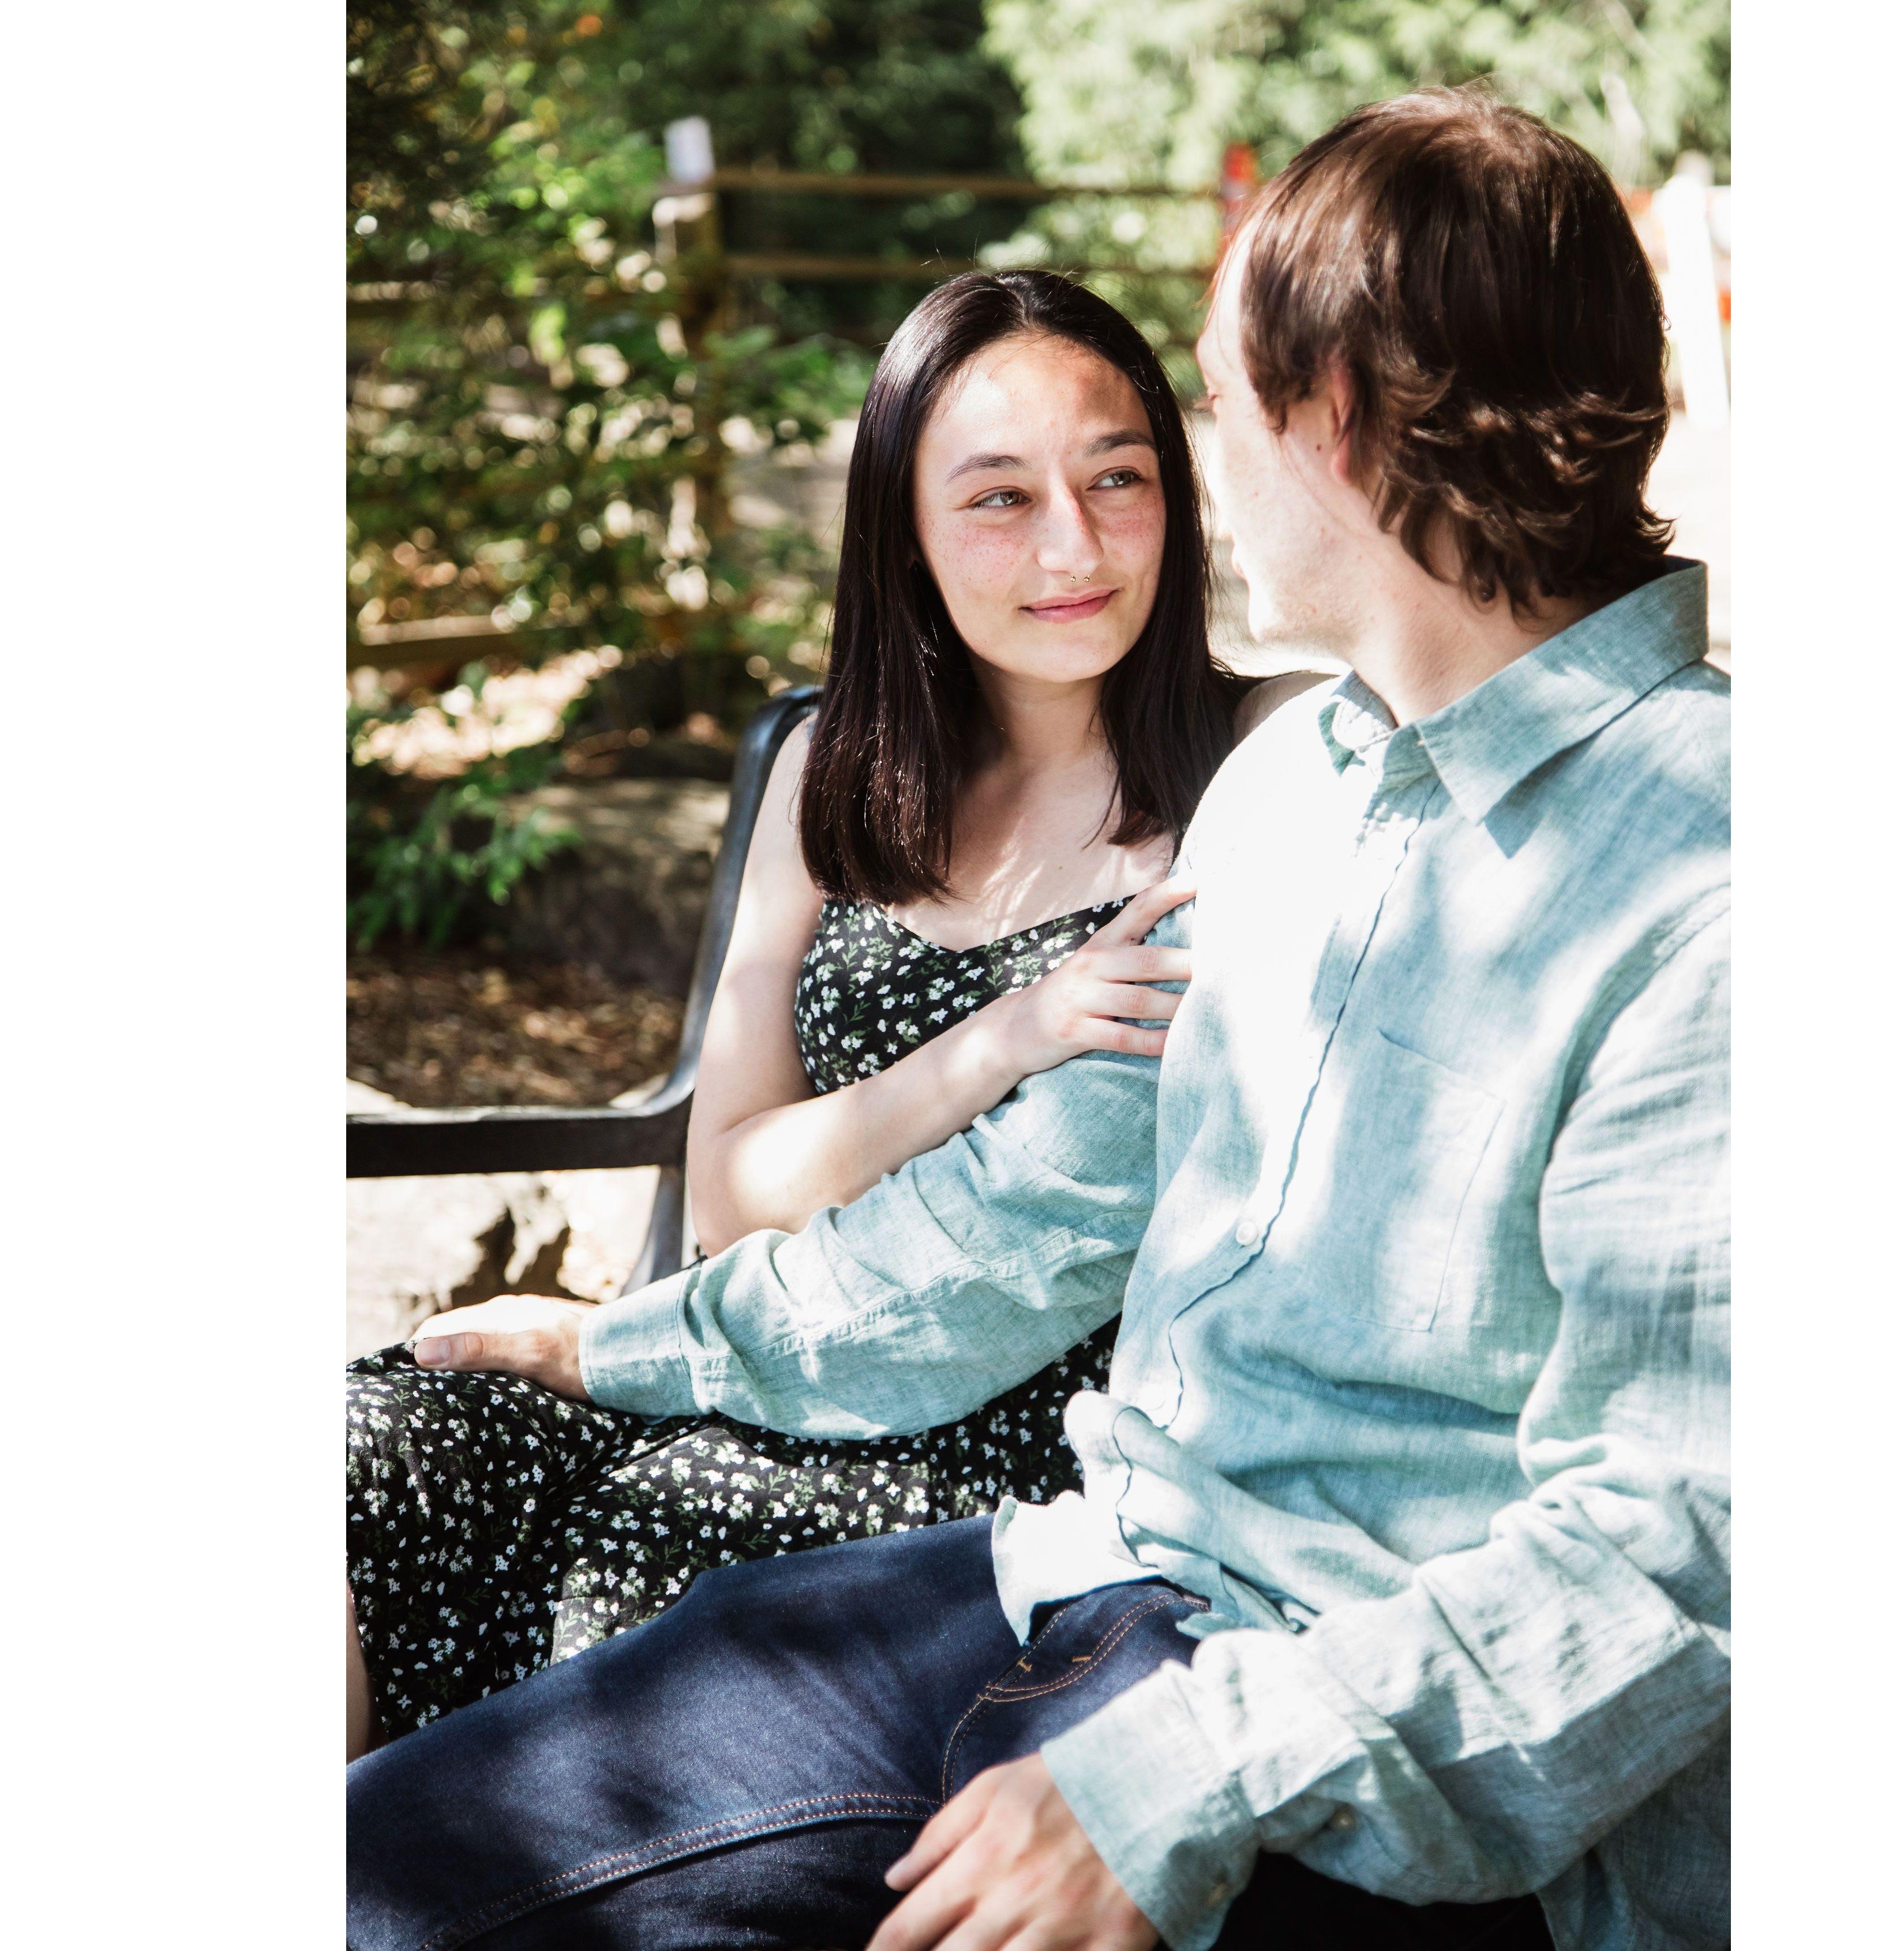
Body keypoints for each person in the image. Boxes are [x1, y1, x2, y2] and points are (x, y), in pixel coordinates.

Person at [351, 88, 1729, 1951]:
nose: (1205, 467)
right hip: (1080, 1586)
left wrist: (1178, 1782)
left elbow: (1678, 1555)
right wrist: (623, 1345)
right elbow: (1017, 1227)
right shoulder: (1293, 787)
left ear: (1337, 421)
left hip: (1413, 1796)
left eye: (1215, 406)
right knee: (367, 1892)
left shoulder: (1715, 881)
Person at [343, 269, 1324, 1761]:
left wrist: (637, 1333)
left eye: (1116, 477)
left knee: (641, 1560)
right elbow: (731, 1189)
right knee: (362, 1452)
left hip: (1000, 1436)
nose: (1072, 545)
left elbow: (1037, 1252)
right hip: (739, 1346)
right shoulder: (836, 770)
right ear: (903, 531)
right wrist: (1005, 1038)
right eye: (998, 498)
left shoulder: (1267, 758)